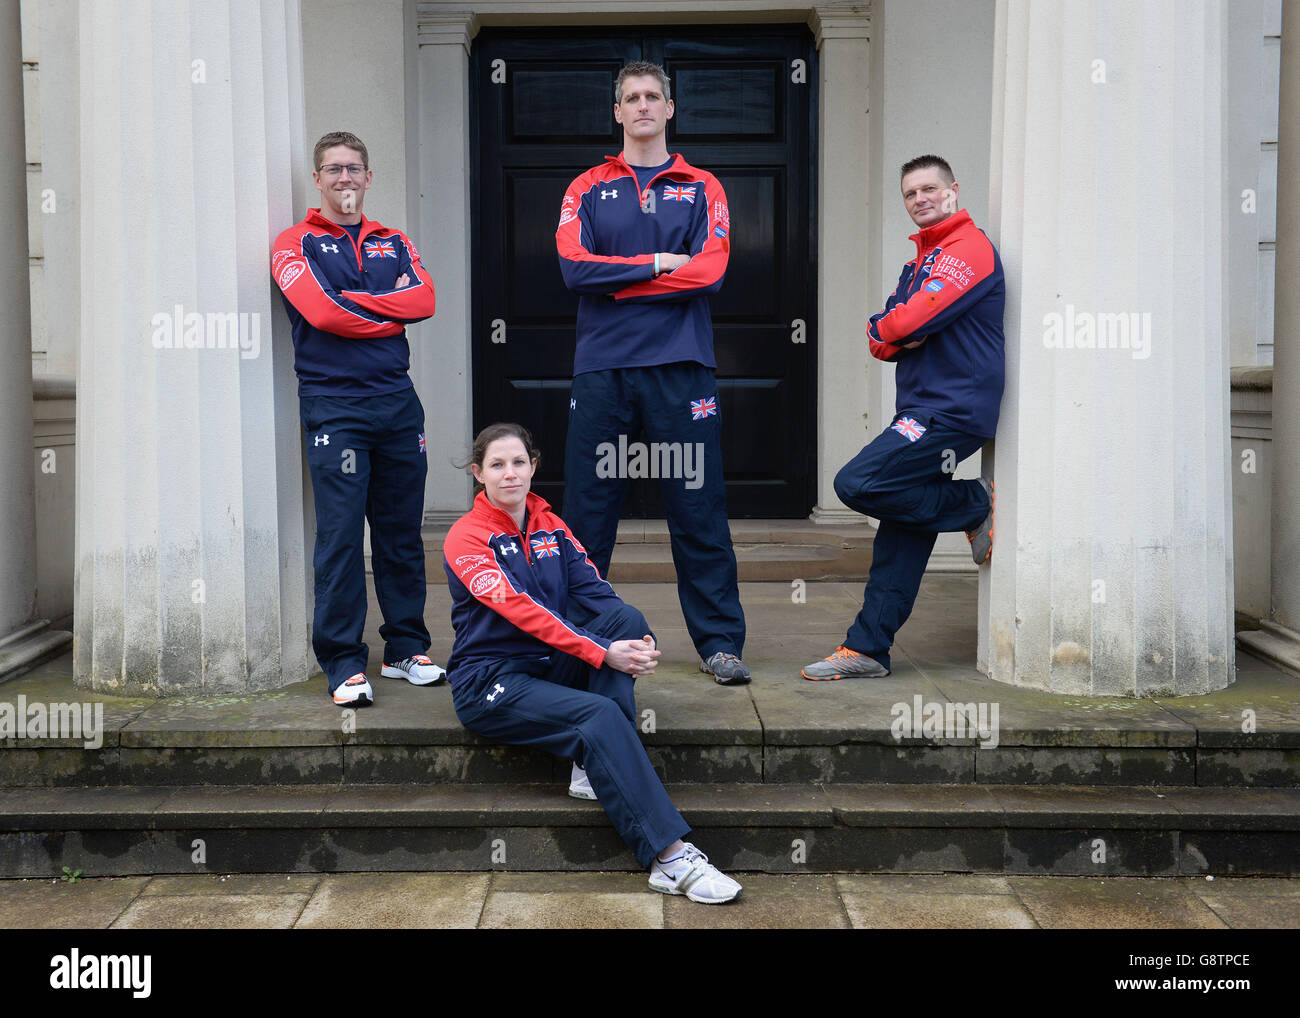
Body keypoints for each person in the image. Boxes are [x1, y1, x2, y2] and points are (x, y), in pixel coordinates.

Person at [443, 422, 743, 904]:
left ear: (534, 466)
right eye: (496, 465)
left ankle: (592, 763)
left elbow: (596, 594)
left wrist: (634, 642)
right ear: (479, 474)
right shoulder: (465, 537)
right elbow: (521, 608)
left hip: (546, 663)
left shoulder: (550, 526)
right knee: (598, 714)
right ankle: (669, 857)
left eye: (519, 462)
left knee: (625, 617)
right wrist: (603, 653)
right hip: (489, 682)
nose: (510, 474)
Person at [554, 61, 750, 686]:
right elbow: (573, 271)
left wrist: (623, 280)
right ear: (617, 112)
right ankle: (577, 638)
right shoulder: (585, 187)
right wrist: (660, 265)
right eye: (631, 98)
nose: (642, 106)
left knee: (699, 511)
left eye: (652, 97)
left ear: (670, 108)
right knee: (588, 513)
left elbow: (711, 273)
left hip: (681, 369)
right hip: (603, 370)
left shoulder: (703, 186)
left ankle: (719, 643)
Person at [802, 155, 1004, 681]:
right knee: (901, 531)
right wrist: (894, 328)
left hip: (952, 412)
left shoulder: (969, 250)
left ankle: (972, 502)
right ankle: (867, 648)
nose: (920, 199)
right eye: (911, 194)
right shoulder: (919, 264)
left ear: (954, 190)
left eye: (929, 189)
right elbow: (880, 336)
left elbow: (909, 319)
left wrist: (897, 326)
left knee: (857, 481)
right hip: (922, 407)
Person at [271, 131, 446, 706]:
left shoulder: (394, 240)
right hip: (335, 406)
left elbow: (424, 301)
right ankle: (344, 661)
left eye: (354, 169)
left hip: (397, 402)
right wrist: (384, 309)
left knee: (400, 531)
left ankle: (405, 649)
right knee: (342, 537)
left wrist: (352, 301)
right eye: (332, 169)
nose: (344, 178)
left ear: (369, 178)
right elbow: (320, 313)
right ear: (317, 179)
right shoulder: (292, 243)